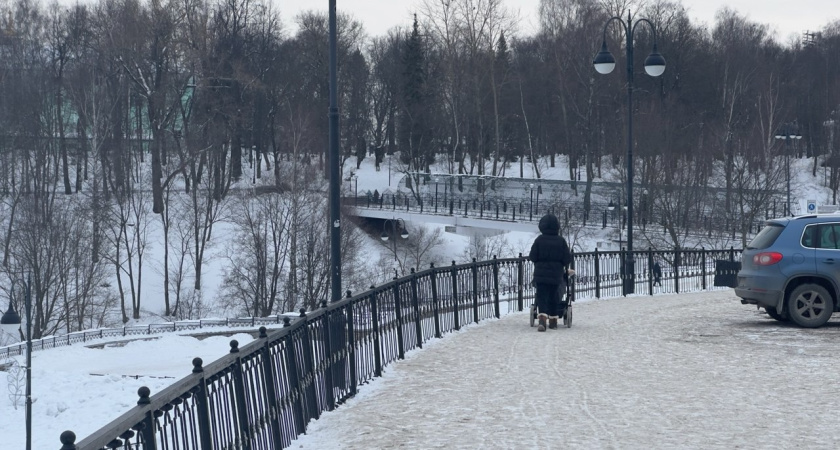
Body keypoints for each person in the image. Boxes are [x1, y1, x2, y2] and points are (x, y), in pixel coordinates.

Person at [529, 214, 574, 331]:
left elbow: (533, 256)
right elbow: (567, 258)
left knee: (541, 295)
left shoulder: (539, 240)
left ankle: (542, 319)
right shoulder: (561, 241)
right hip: (556, 274)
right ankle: (553, 321)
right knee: (554, 295)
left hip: (541, 274)